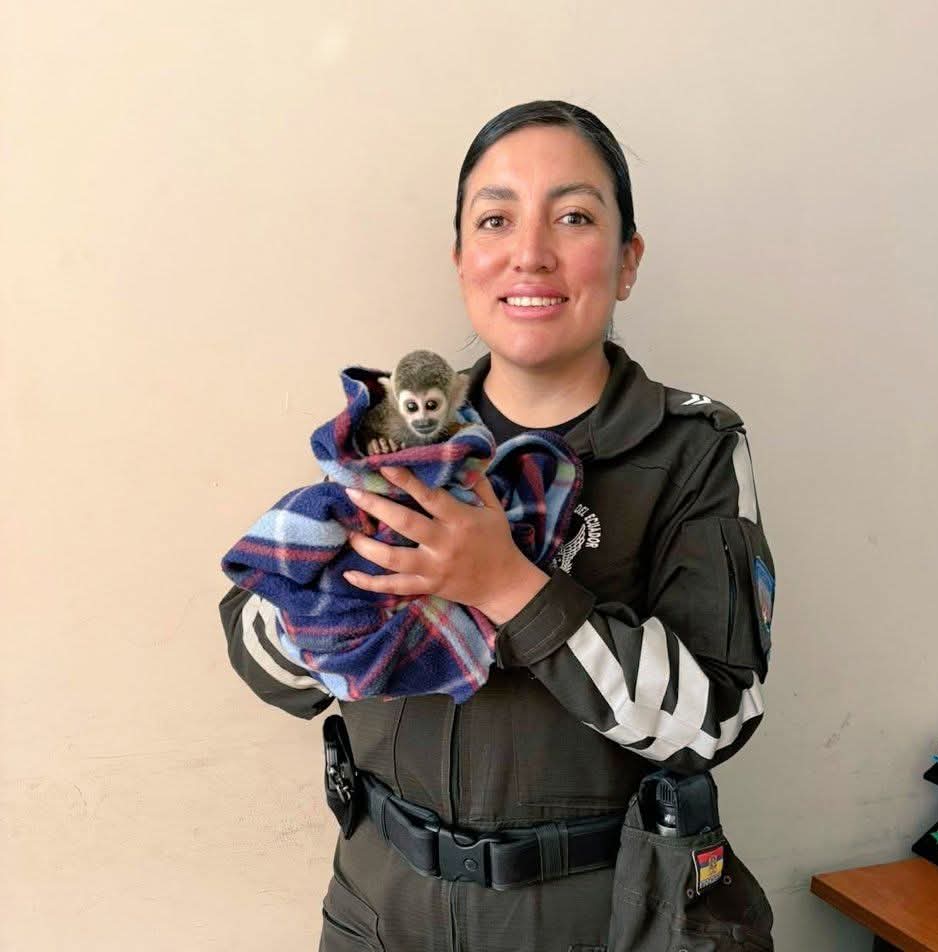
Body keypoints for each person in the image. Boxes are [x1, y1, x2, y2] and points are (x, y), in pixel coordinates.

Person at [219, 100, 775, 952]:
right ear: (461, 260)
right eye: (495, 219)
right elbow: (265, 663)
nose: (530, 252)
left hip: (598, 921)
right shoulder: (389, 440)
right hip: (376, 910)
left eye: (574, 217)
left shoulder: (692, 450)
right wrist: (354, 599)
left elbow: (716, 721)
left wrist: (511, 588)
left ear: (627, 261)